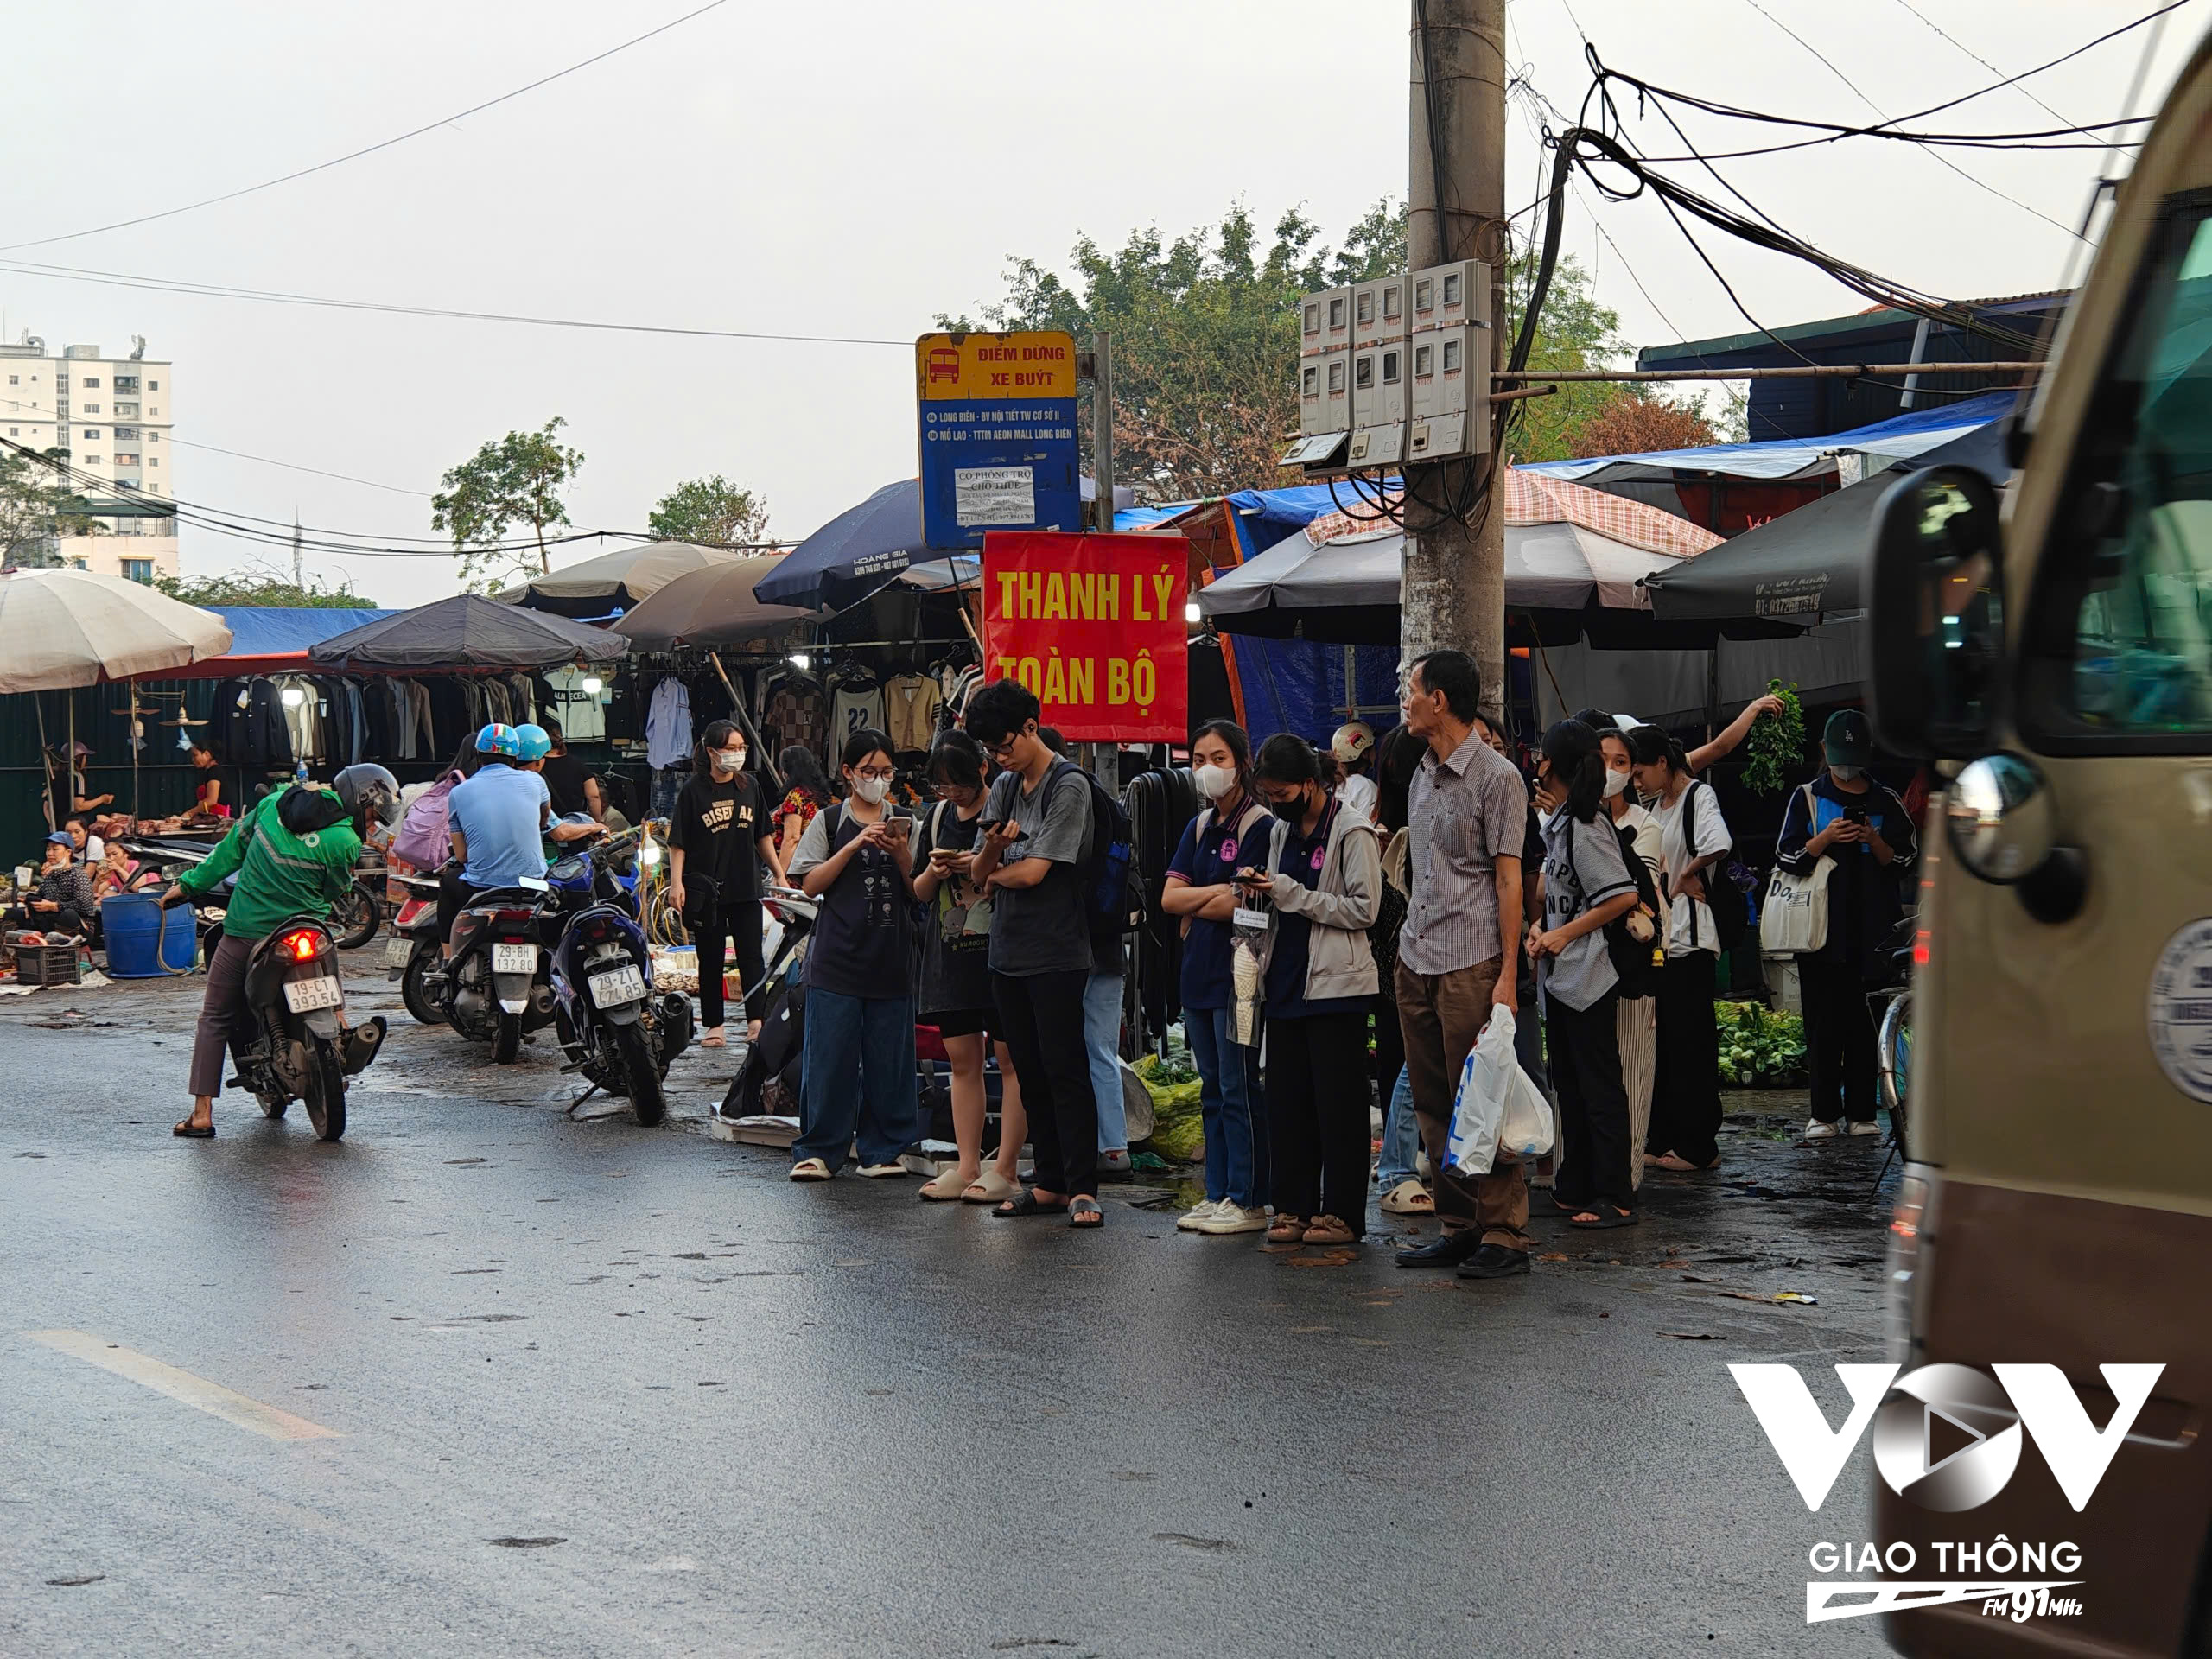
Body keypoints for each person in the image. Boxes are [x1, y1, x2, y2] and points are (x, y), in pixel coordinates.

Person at [1390, 650, 1536, 1281]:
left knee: (1483, 1099)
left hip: (1473, 961)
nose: (1406, 697)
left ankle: (1504, 1232)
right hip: (1418, 953)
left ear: (1440, 700)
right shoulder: (1421, 770)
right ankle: (1459, 1225)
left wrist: (1507, 975)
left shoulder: (1498, 777)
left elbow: (1509, 882)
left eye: (1412, 688)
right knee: (1432, 1102)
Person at [165, 765, 398, 1139]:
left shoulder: (271, 805)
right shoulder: (346, 842)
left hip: (246, 933)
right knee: (332, 979)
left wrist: (187, 886)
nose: (371, 825)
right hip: (307, 931)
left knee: (215, 1018)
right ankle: (339, 1030)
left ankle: (202, 1114)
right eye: (372, 816)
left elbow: (228, 855)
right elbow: (335, 891)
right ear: (359, 802)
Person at [965, 679, 1104, 1230]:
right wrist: (995, 853)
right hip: (1007, 951)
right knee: (1026, 1068)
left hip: (1058, 951)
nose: (1001, 758)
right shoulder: (1004, 784)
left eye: (1005, 745)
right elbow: (979, 873)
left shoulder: (1068, 786)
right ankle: (1046, 1181)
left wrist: (996, 870)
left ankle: (1082, 1187)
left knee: (1065, 1066)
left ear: (1031, 727)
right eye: (993, 752)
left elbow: (1037, 871)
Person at [1247, 734, 1382, 1246]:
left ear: (1309, 784)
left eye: (1282, 794)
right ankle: (1293, 1208)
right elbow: (1281, 897)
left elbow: (1363, 910)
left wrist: (1291, 894)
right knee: (1288, 1102)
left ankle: (1342, 1213)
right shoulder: (1283, 831)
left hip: (1337, 988)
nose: (1276, 804)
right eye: (1269, 795)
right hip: (1285, 980)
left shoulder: (1352, 830)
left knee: (1338, 1105)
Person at [1775, 709, 1917, 1139]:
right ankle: (1822, 1113)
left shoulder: (1886, 800)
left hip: (1874, 931)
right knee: (1822, 1023)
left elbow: (1905, 859)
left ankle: (1863, 1112)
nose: (1846, 766)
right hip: (1821, 933)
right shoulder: (1808, 797)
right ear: (1824, 752)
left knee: (1864, 1022)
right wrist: (1824, 839)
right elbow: (1785, 857)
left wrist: (1874, 840)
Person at [785, 730, 919, 1181]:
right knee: (830, 1057)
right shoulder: (827, 821)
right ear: (848, 773)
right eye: (869, 772)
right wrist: (851, 846)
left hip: (890, 957)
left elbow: (919, 889)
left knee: (889, 1059)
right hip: (837, 958)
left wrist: (901, 853)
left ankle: (883, 1150)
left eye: (885, 772)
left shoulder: (907, 821)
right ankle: (820, 1149)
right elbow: (808, 884)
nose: (878, 780)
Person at [1160, 719, 1274, 1235]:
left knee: (1238, 1085)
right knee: (1210, 1086)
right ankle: (1216, 1191)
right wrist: (1213, 896)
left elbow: (1243, 901)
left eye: (1219, 758)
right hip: (1198, 974)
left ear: (1242, 764)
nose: (1207, 768)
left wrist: (1201, 900)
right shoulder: (1199, 825)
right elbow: (1169, 899)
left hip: (1241, 977)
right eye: (1200, 759)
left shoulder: (1260, 826)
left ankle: (1248, 1198)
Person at [1529, 721, 1642, 1228]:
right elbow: (1560, 899)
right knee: (1569, 1086)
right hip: (1562, 976)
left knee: (1598, 1087)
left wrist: (1563, 934)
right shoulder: (1560, 821)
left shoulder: (1585, 825)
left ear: (1549, 764)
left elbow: (1622, 896)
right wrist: (1541, 927)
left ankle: (1615, 1195)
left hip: (1589, 974)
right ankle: (1574, 1185)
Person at [911, 730, 1027, 1205]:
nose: (952, 794)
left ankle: (1007, 1168)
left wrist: (979, 862)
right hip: (951, 957)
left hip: (1002, 955)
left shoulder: (1007, 810)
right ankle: (966, 1164)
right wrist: (935, 872)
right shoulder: (937, 817)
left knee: (1011, 1061)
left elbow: (1022, 873)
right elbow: (917, 892)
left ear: (983, 769)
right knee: (962, 1062)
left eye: (958, 783)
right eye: (942, 786)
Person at [1630, 726, 1732, 1173]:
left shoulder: (1696, 797)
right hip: (1664, 939)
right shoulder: (1654, 805)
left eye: (1638, 772)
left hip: (1691, 939)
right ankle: (1665, 1134)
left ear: (1662, 764)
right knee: (1666, 1042)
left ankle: (1698, 1144)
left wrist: (1686, 874)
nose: (1635, 782)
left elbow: (1718, 843)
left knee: (1691, 1042)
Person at [668, 719, 779, 1050]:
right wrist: (677, 884)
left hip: (745, 884)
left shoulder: (750, 787)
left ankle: (756, 1022)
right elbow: (678, 842)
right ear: (712, 751)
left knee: (751, 956)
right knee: (711, 957)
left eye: (741, 748)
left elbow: (763, 835)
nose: (737, 754)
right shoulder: (693, 790)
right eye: (730, 748)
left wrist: (778, 872)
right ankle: (714, 1025)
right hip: (706, 890)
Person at [1607, 725, 1669, 1185]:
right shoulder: (1565, 822)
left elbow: (1629, 895)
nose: (1610, 771)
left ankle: (1625, 1178)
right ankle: (1579, 1175)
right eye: (1601, 761)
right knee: (1577, 1077)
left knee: (1632, 1069)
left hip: (1631, 969)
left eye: (1621, 763)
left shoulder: (1643, 826)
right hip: (1580, 970)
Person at [1371, 724, 1428, 1216]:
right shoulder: (1400, 834)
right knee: (1414, 1058)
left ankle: (1402, 1157)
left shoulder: (1386, 829)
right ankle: (1404, 1160)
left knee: (1404, 1057)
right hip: (1414, 960)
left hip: (1400, 963)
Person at [437, 725, 550, 958]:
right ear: (515, 758)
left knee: (448, 882)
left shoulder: (459, 793)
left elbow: (462, 857)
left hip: (482, 888)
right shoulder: (535, 781)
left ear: (478, 757)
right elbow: (544, 819)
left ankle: (448, 958)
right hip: (533, 886)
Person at [17, 833, 95, 934]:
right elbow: (39, 897)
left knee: (68, 915)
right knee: (15, 913)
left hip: (78, 928)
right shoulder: (50, 876)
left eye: (55, 849)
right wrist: (29, 904)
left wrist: (54, 906)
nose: (50, 853)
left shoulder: (78, 875)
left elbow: (84, 907)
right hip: (49, 923)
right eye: (48, 849)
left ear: (68, 852)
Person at [772, 746, 833, 874]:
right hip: (816, 864)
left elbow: (792, 838)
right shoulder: (818, 796)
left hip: (795, 868)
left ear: (786, 772)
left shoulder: (796, 797)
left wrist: (780, 874)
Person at [537, 719, 601, 821]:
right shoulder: (578, 764)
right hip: (575, 825)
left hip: (546, 825)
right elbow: (594, 796)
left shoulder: (536, 766)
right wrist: (596, 823)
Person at [1331, 721, 1380, 822]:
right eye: (1373, 749)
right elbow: (1368, 829)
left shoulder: (1332, 785)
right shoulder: (1366, 787)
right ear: (1365, 754)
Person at [92, 838, 156, 900]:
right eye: (108, 855)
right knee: (104, 893)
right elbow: (95, 893)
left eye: (114, 854)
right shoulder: (113, 872)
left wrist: (119, 869)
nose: (111, 858)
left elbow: (137, 889)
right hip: (133, 900)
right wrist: (97, 880)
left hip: (151, 899)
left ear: (126, 854)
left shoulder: (137, 865)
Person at [188, 738, 226, 817]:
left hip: (220, 818)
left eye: (195, 755)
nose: (193, 759)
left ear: (207, 754)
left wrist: (189, 814)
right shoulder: (209, 772)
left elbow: (211, 801)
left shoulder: (214, 772)